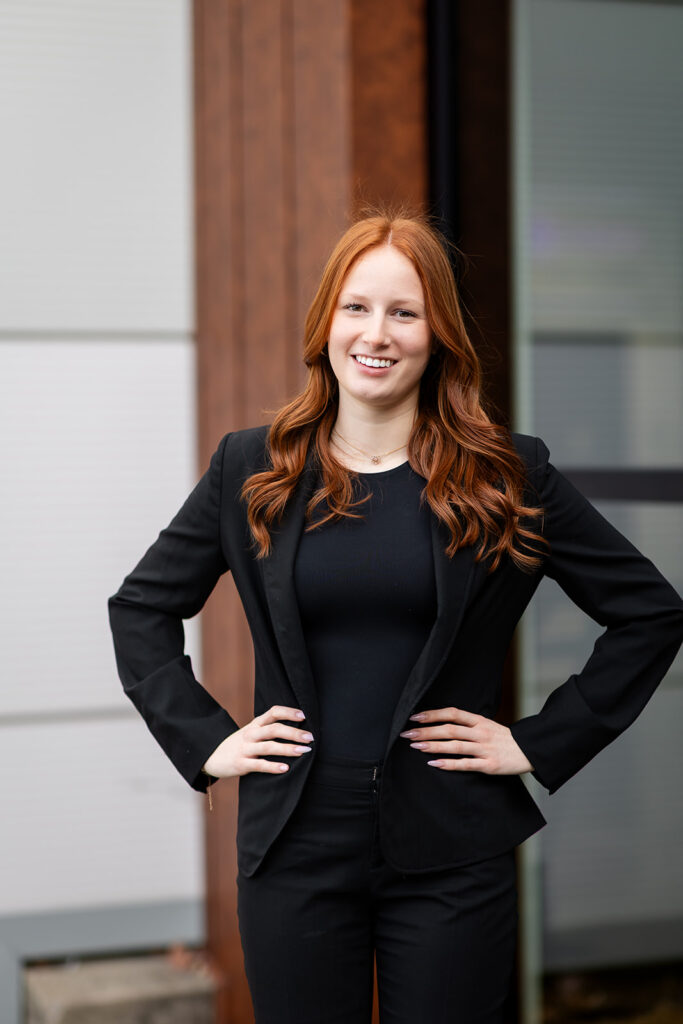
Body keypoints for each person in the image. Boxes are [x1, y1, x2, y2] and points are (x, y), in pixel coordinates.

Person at [108, 210, 683, 1024]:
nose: (375, 334)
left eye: (403, 312)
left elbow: (648, 612)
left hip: (453, 843)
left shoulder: (507, 474)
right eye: (357, 307)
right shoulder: (252, 467)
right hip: (294, 843)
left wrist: (537, 741)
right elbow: (140, 607)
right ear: (326, 323)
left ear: (436, 334)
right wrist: (205, 740)